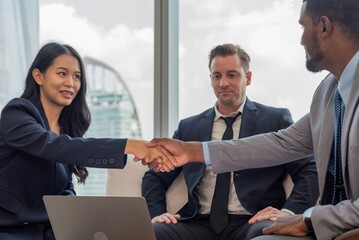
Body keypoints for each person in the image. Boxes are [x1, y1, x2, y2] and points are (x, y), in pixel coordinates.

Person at [147, 0, 359, 239]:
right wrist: (192, 151)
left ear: (324, 26)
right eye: (216, 75)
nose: (301, 40)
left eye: (303, 26)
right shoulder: (328, 93)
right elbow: (281, 144)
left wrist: (305, 218)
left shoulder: (286, 111)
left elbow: (305, 170)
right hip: (331, 225)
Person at [142, 44, 319, 240]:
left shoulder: (275, 119)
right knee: (150, 234)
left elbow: (309, 170)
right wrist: (157, 214)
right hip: (197, 222)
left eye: (232, 75)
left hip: (253, 220)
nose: (223, 83)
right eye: (216, 76)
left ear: (248, 78)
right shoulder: (188, 127)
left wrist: (289, 213)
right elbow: (155, 176)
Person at [0, 42, 176, 239]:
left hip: (49, 234)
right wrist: (130, 145)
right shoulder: (17, 113)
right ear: (38, 76)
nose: (70, 83)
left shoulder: (66, 132)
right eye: (61, 73)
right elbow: (51, 146)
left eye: (77, 77)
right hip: (9, 229)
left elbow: (65, 193)